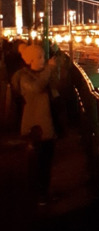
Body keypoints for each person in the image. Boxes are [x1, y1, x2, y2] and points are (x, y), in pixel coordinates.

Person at [10, 44, 58, 204]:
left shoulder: (41, 74)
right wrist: (49, 69)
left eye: (43, 56)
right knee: (38, 163)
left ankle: (44, 191)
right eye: (39, 57)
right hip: (36, 127)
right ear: (30, 60)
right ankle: (39, 195)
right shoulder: (24, 77)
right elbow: (36, 88)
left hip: (47, 124)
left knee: (47, 161)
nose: (43, 60)